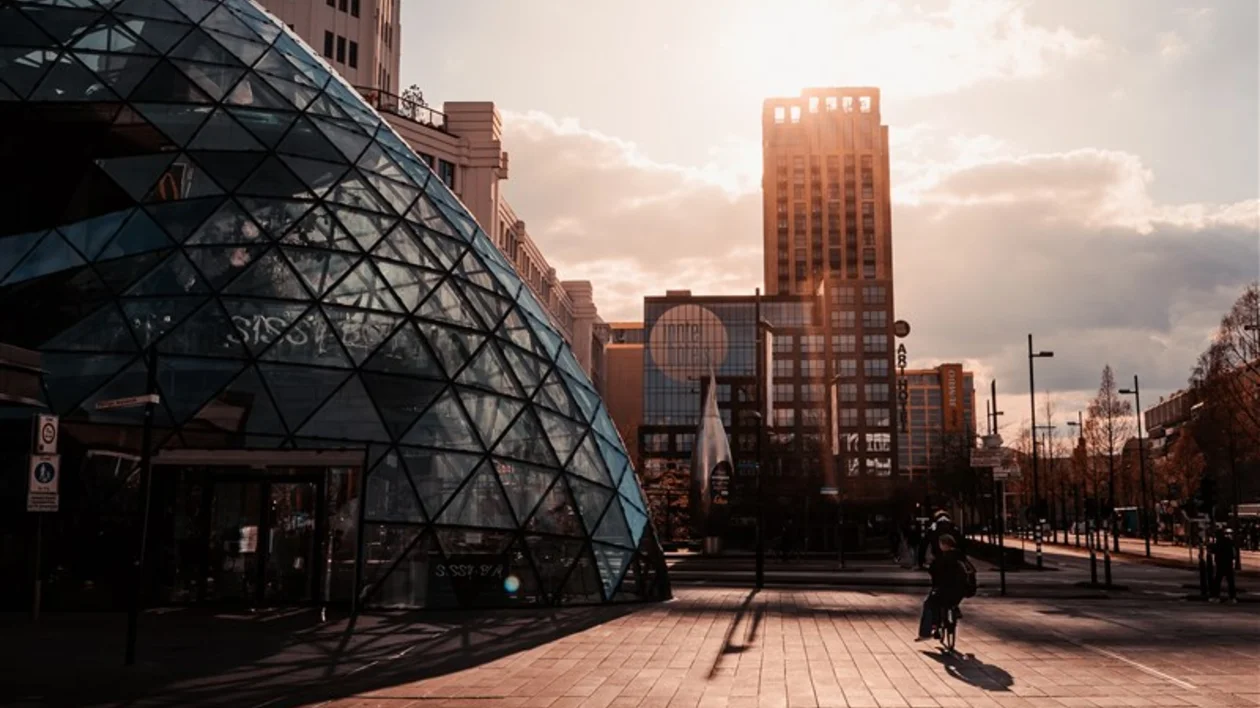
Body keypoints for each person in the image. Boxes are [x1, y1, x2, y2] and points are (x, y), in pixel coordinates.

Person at [916, 534, 968, 641]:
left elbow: (933, 571)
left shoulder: (942, 558)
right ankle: (955, 609)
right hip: (960, 591)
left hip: (943, 591)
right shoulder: (961, 557)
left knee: (929, 604)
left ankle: (926, 632)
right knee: (950, 602)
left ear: (943, 545)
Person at [1211, 528, 1238, 604]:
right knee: (1230, 581)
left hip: (1221, 564)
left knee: (1217, 581)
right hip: (1228, 563)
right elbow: (1233, 552)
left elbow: (1215, 551)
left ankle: (1216, 596)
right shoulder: (1229, 541)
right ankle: (1232, 597)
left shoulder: (1219, 542)